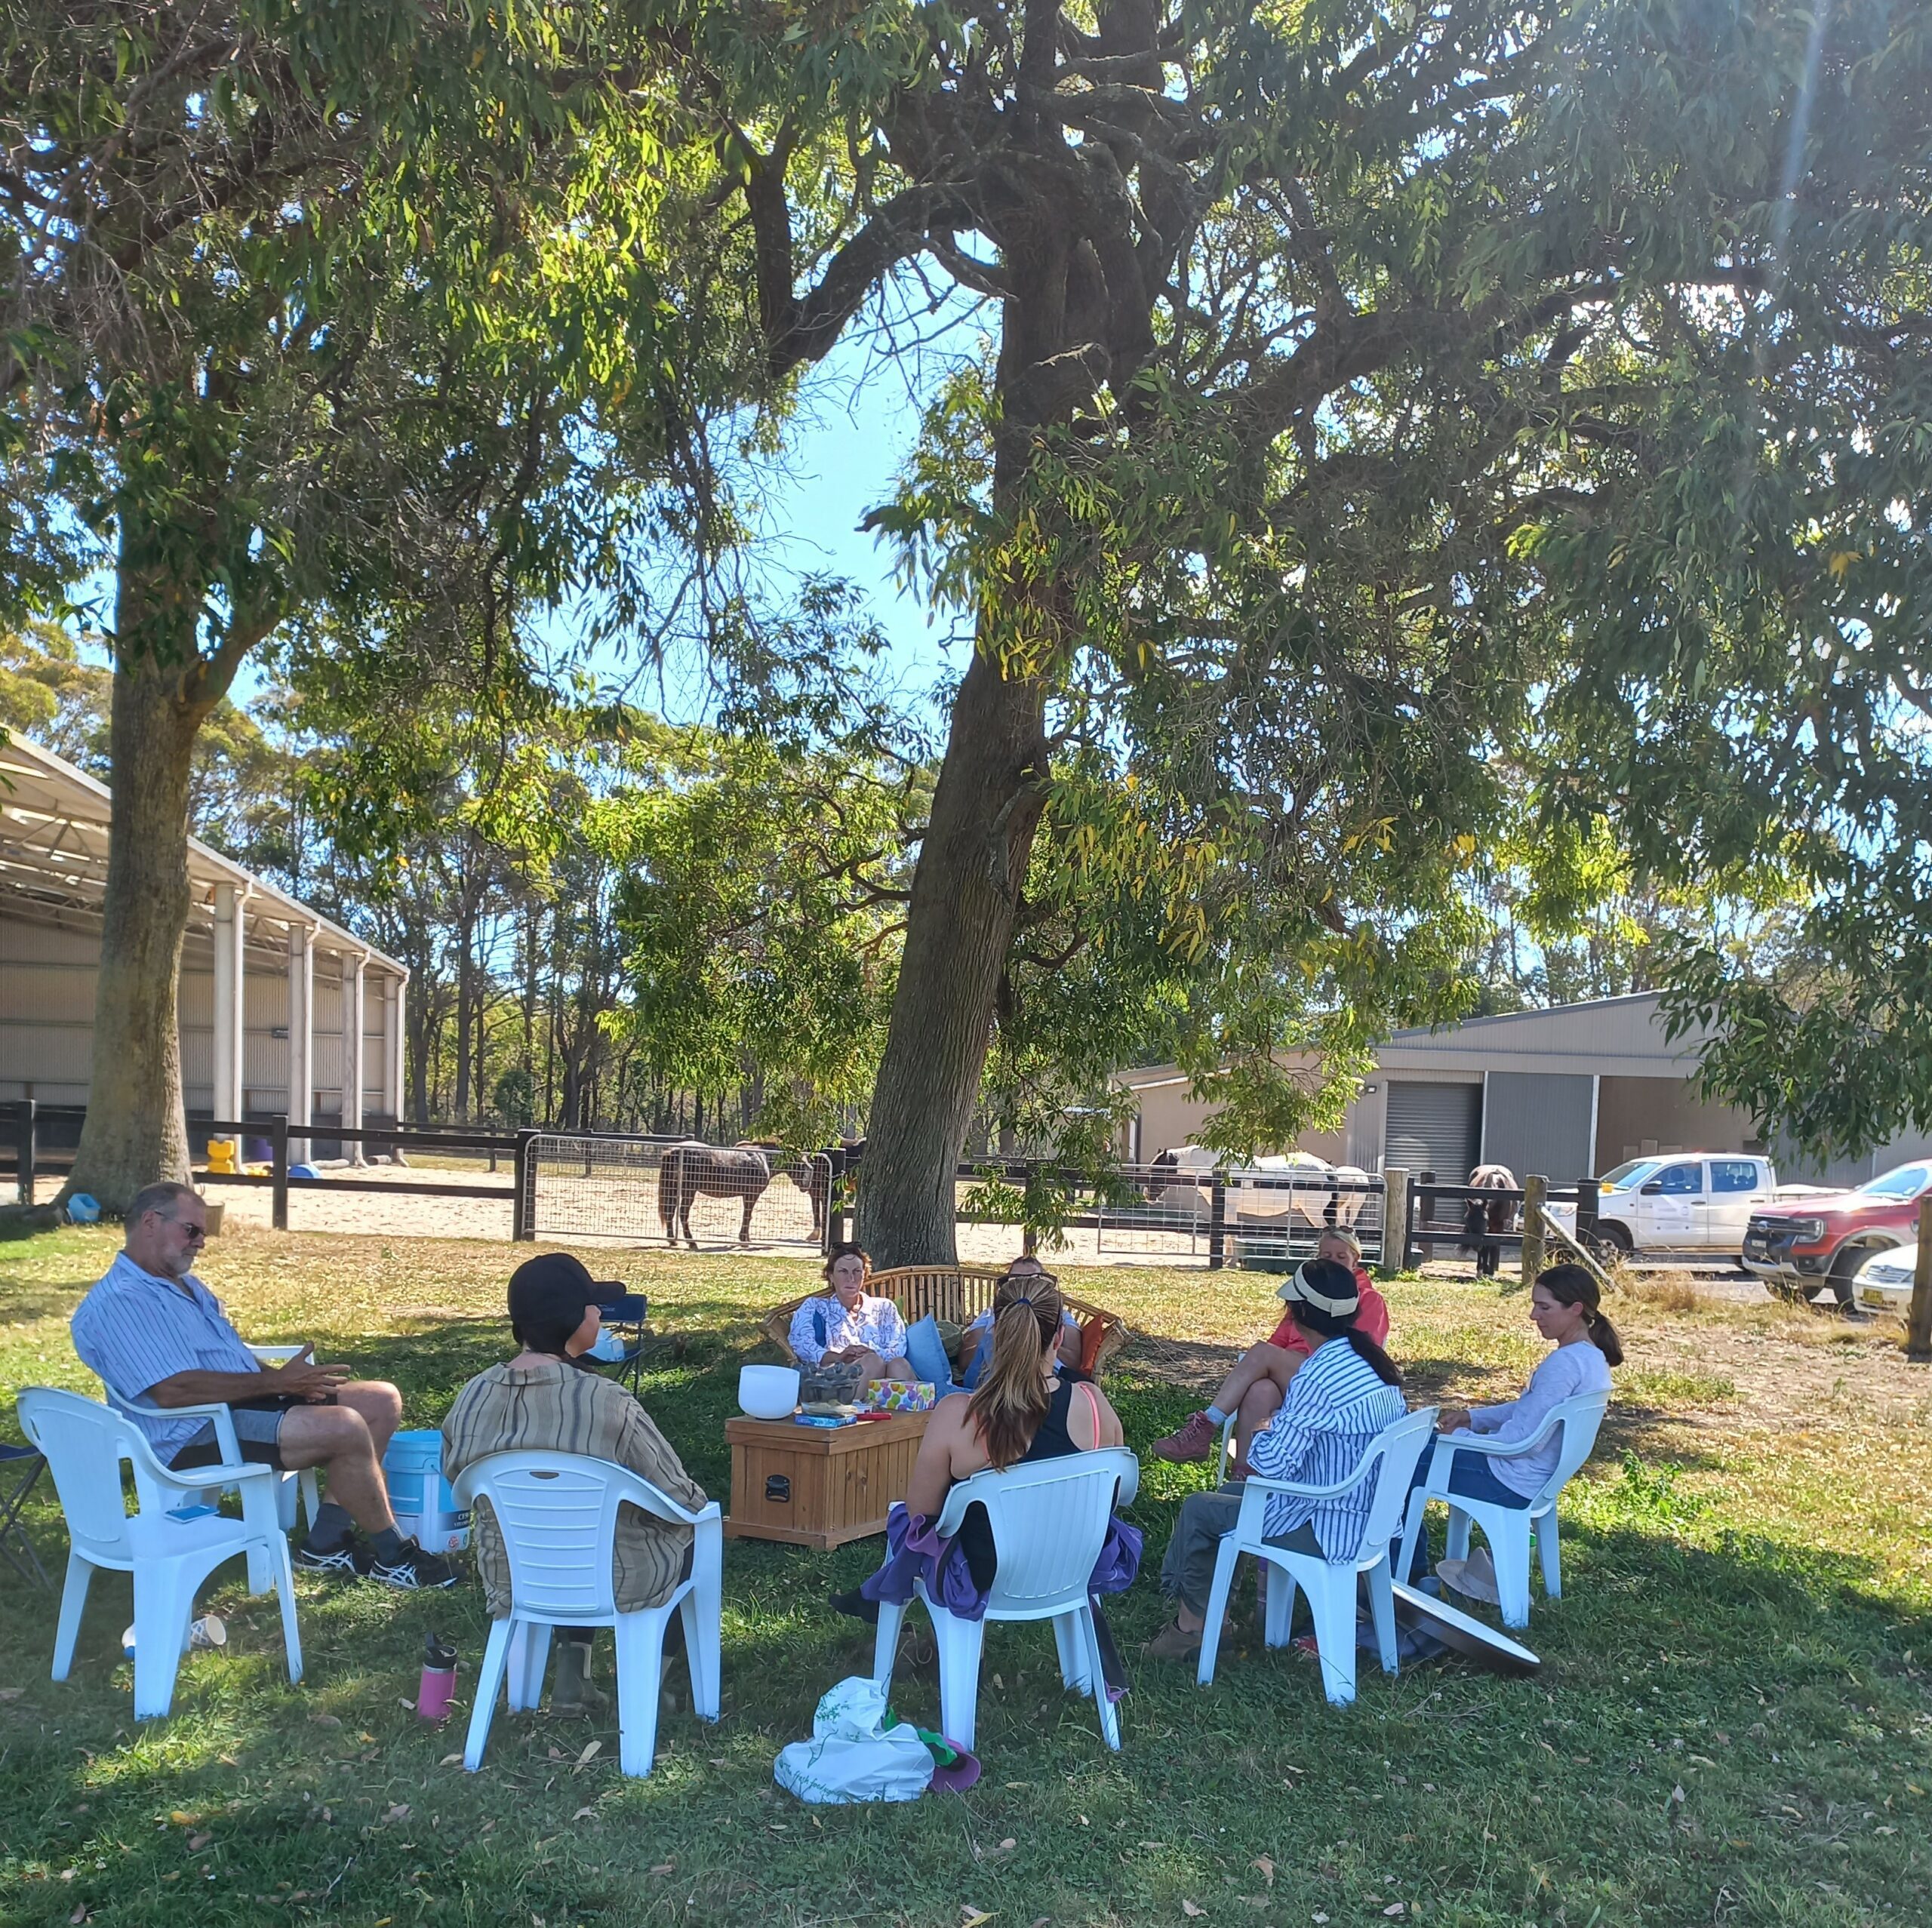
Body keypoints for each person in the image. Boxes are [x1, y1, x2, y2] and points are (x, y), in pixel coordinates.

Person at [69, 1180, 454, 1588]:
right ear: (150, 1222)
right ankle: (393, 1553)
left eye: (203, 1233)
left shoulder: (184, 1286)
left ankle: (325, 1543)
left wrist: (286, 1385)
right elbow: (172, 1392)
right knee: (345, 1426)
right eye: (192, 1230)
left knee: (380, 1402)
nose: (200, 1243)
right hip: (190, 1432)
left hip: (235, 1408)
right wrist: (272, 1383)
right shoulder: (121, 1301)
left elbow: (227, 1359)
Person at [441, 1251, 709, 1717]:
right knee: (693, 1534)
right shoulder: (605, 1400)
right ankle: (653, 1684)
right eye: (593, 1306)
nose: (599, 1315)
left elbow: (457, 1478)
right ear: (572, 1320)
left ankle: (572, 1676)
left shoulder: (472, 1394)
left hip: (514, 1574)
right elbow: (680, 1497)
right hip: (614, 1578)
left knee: (563, 1524)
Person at [1148, 1256, 1407, 1660]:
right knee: (1229, 1497)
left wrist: (1265, 1426)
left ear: (1298, 1313)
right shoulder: (1373, 1364)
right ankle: (1215, 1620)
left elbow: (1268, 1465)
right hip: (1368, 1519)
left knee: (1201, 1509)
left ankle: (1192, 1630)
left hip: (1326, 1524)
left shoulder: (1317, 1376)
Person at [1406, 1263, 1620, 1562]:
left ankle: (1402, 1573)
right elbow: (1531, 1411)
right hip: (1533, 1478)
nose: (1534, 1316)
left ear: (1576, 1309)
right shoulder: (1592, 1358)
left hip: (1508, 1480)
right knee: (1418, 1444)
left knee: (1398, 1463)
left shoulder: (1564, 1364)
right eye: (1535, 1305)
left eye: (1544, 1307)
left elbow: (1522, 1442)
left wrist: (1461, 1436)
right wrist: (1471, 1417)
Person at [1152, 1228, 1391, 1472]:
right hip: (1296, 1374)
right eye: (1325, 1256)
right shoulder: (1308, 1297)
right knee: (1260, 1390)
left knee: (1262, 1353)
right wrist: (1280, 1361)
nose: (1332, 1262)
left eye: (1341, 1257)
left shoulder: (1365, 1299)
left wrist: (1292, 1358)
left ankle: (1207, 1425)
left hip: (1325, 1379)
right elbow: (1277, 1343)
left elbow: (1355, 1353)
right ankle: (1245, 1474)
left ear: (1356, 1259)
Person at [788, 1242, 916, 1384]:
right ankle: (852, 1406)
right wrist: (839, 1357)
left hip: (885, 1376)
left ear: (864, 1275)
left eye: (857, 1271)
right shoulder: (814, 1307)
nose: (851, 1278)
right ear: (831, 1276)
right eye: (843, 1271)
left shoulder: (884, 1308)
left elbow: (898, 1347)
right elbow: (803, 1346)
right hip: (835, 1379)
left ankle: (897, 1405)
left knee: (899, 1365)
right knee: (872, 1363)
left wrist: (873, 1353)